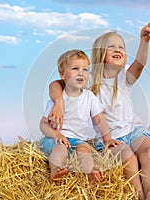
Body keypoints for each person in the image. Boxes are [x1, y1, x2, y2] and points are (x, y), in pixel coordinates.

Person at [47, 18, 150, 200]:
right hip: (108, 139)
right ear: (100, 52)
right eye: (112, 46)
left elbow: (140, 63)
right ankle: (141, 196)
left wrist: (144, 41)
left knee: (148, 151)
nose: (118, 49)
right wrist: (58, 102)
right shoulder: (89, 77)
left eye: (121, 47)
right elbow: (56, 83)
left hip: (132, 130)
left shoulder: (125, 76)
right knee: (128, 156)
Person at [39, 49, 120, 184]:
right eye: (75, 68)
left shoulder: (89, 97)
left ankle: (90, 173)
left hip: (77, 140)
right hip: (55, 140)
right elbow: (43, 124)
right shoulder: (57, 98)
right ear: (62, 74)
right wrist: (56, 135)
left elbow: (99, 119)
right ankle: (56, 170)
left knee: (85, 150)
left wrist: (108, 139)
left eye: (85, 69)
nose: (81, 73)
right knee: (60, 149)